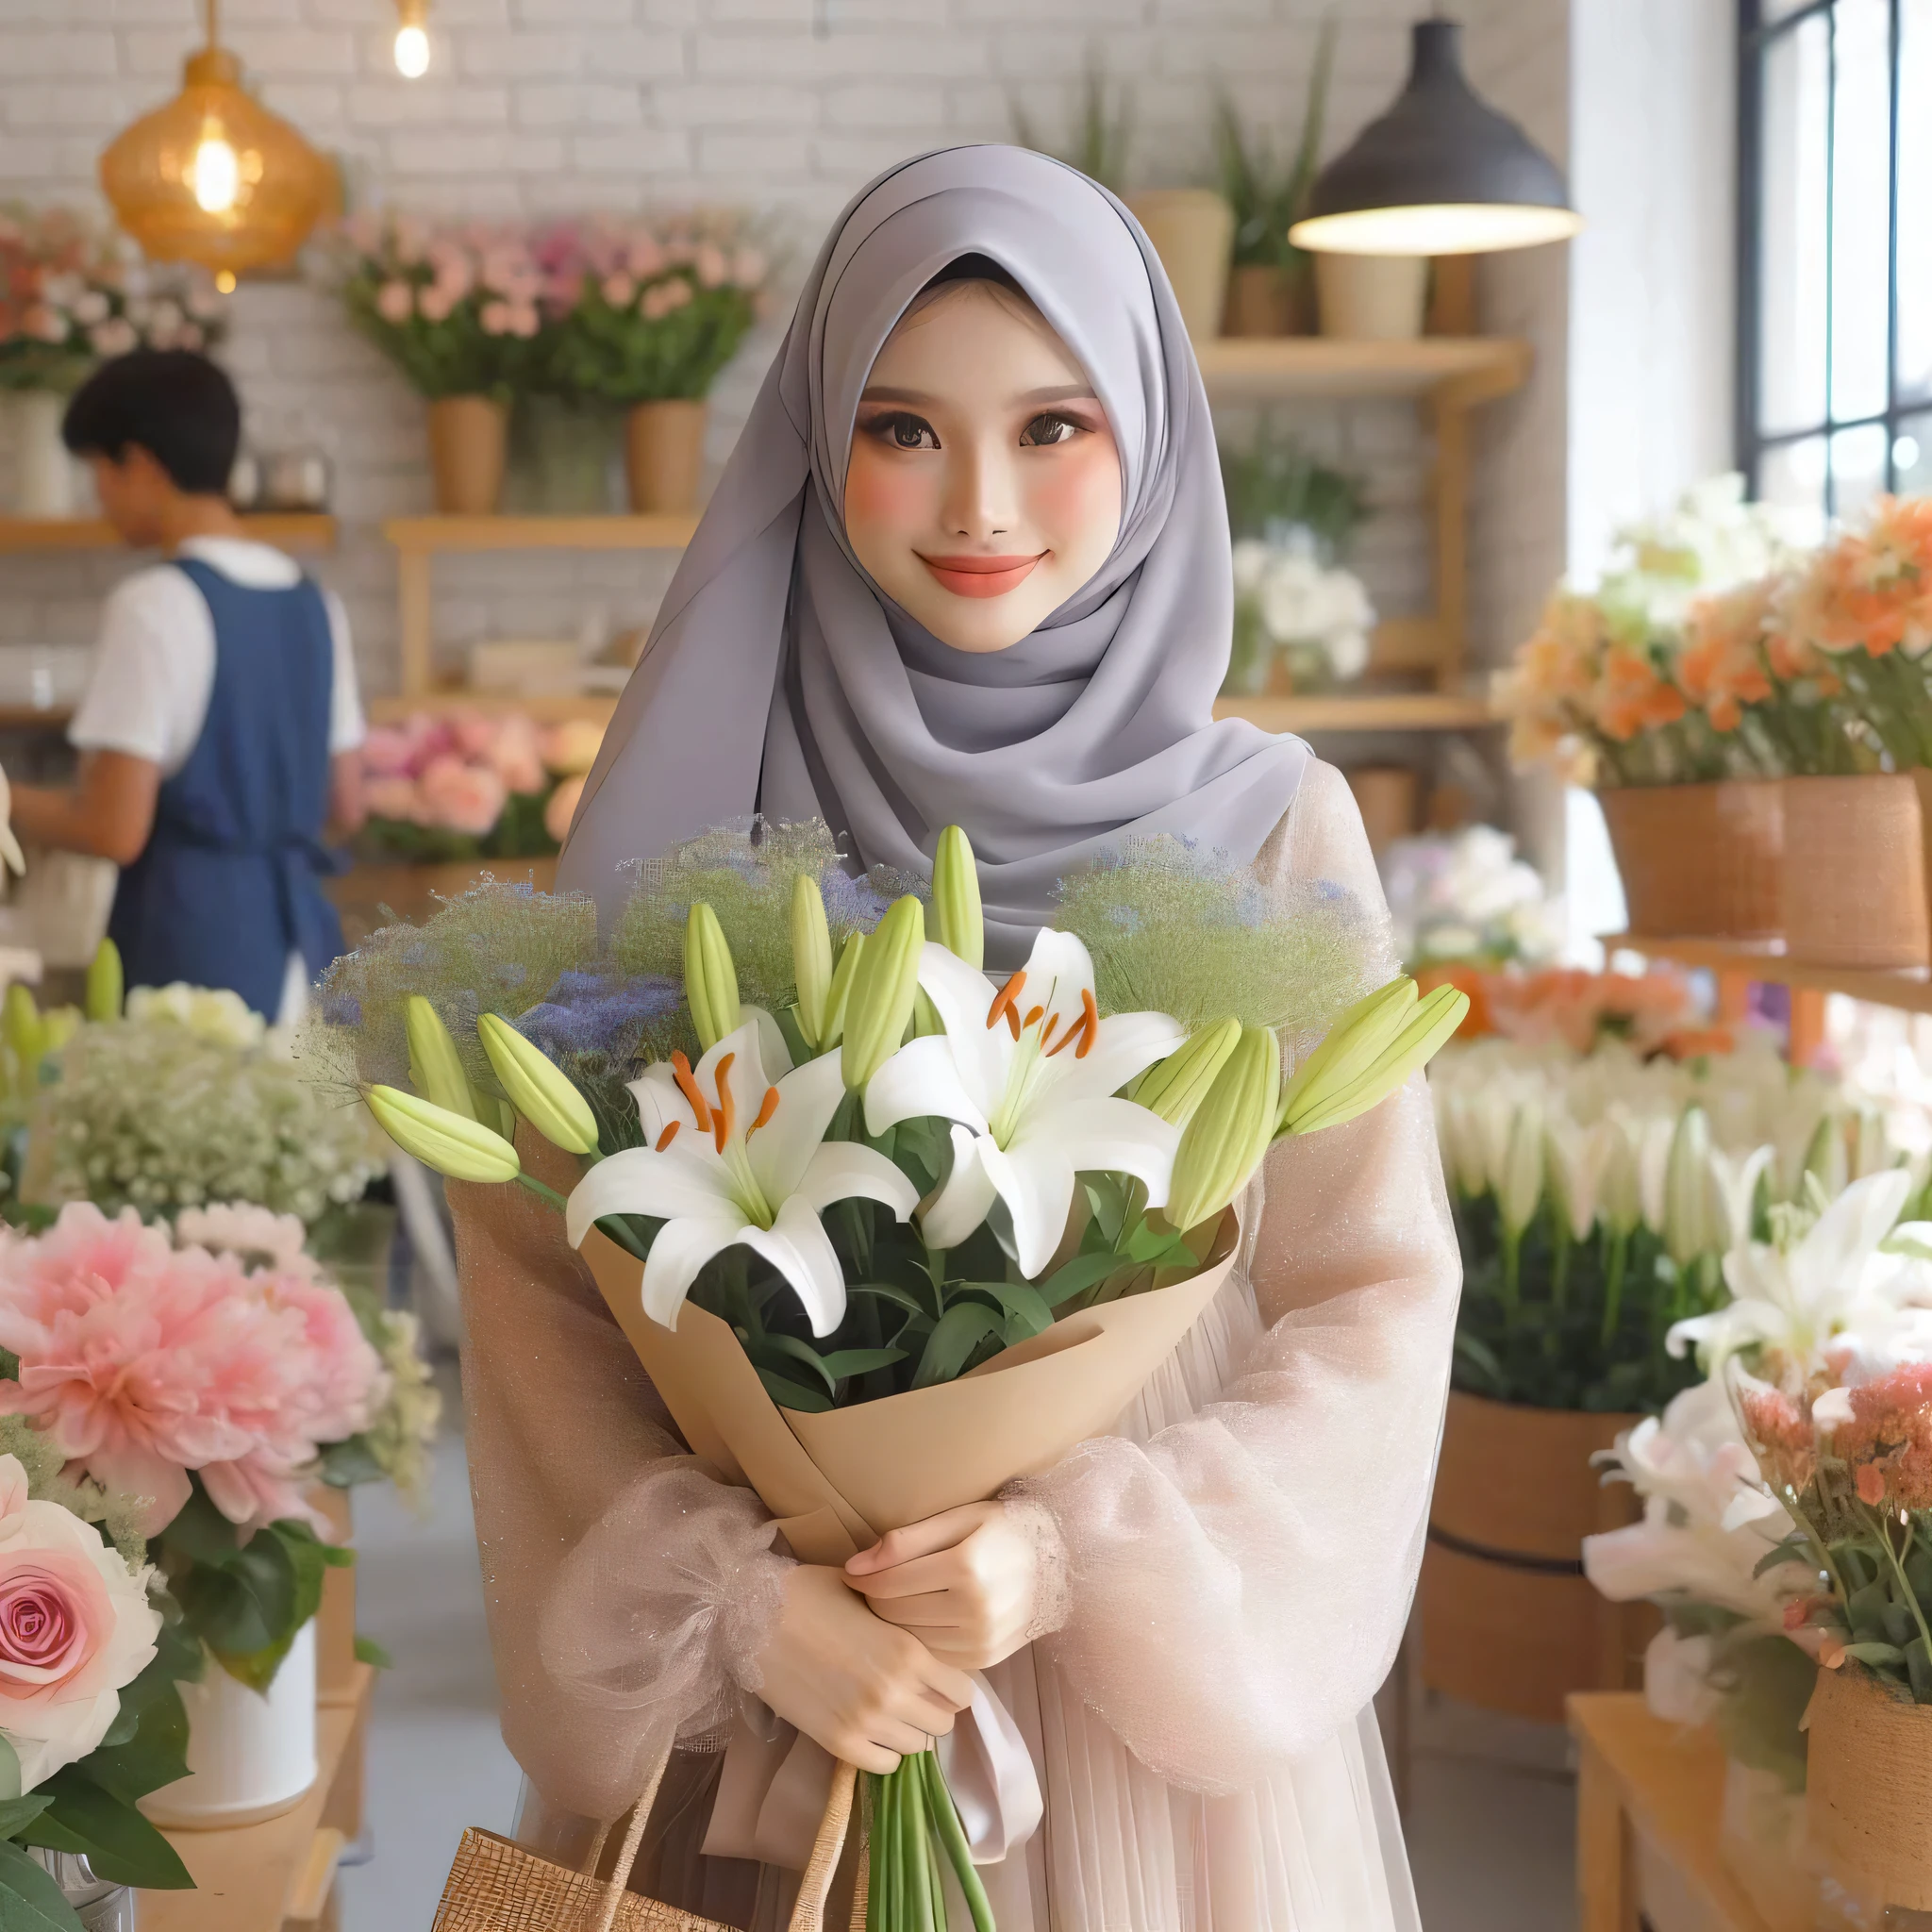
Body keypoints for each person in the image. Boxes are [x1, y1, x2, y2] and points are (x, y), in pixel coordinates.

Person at [456, 146, 1458, 1932]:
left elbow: (1367, 1290)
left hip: (1127, 1712)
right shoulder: (698, 809)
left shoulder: (1268, 824)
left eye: (1052, 423)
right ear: (816, 439)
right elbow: (547, 1282)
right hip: (771, 1686)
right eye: (903, 428)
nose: (978, 499)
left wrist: (1077, 1553)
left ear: (1147, 438)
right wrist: (741, 1602)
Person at [9, 349, 365, 1024]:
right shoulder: (315, 604)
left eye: (98, 473)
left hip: (193, 947)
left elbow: (113, 828)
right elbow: (345, 803)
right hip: (304, 949)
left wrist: (7, 798)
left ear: (140, 466)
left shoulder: (154, 603)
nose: (99, 498)